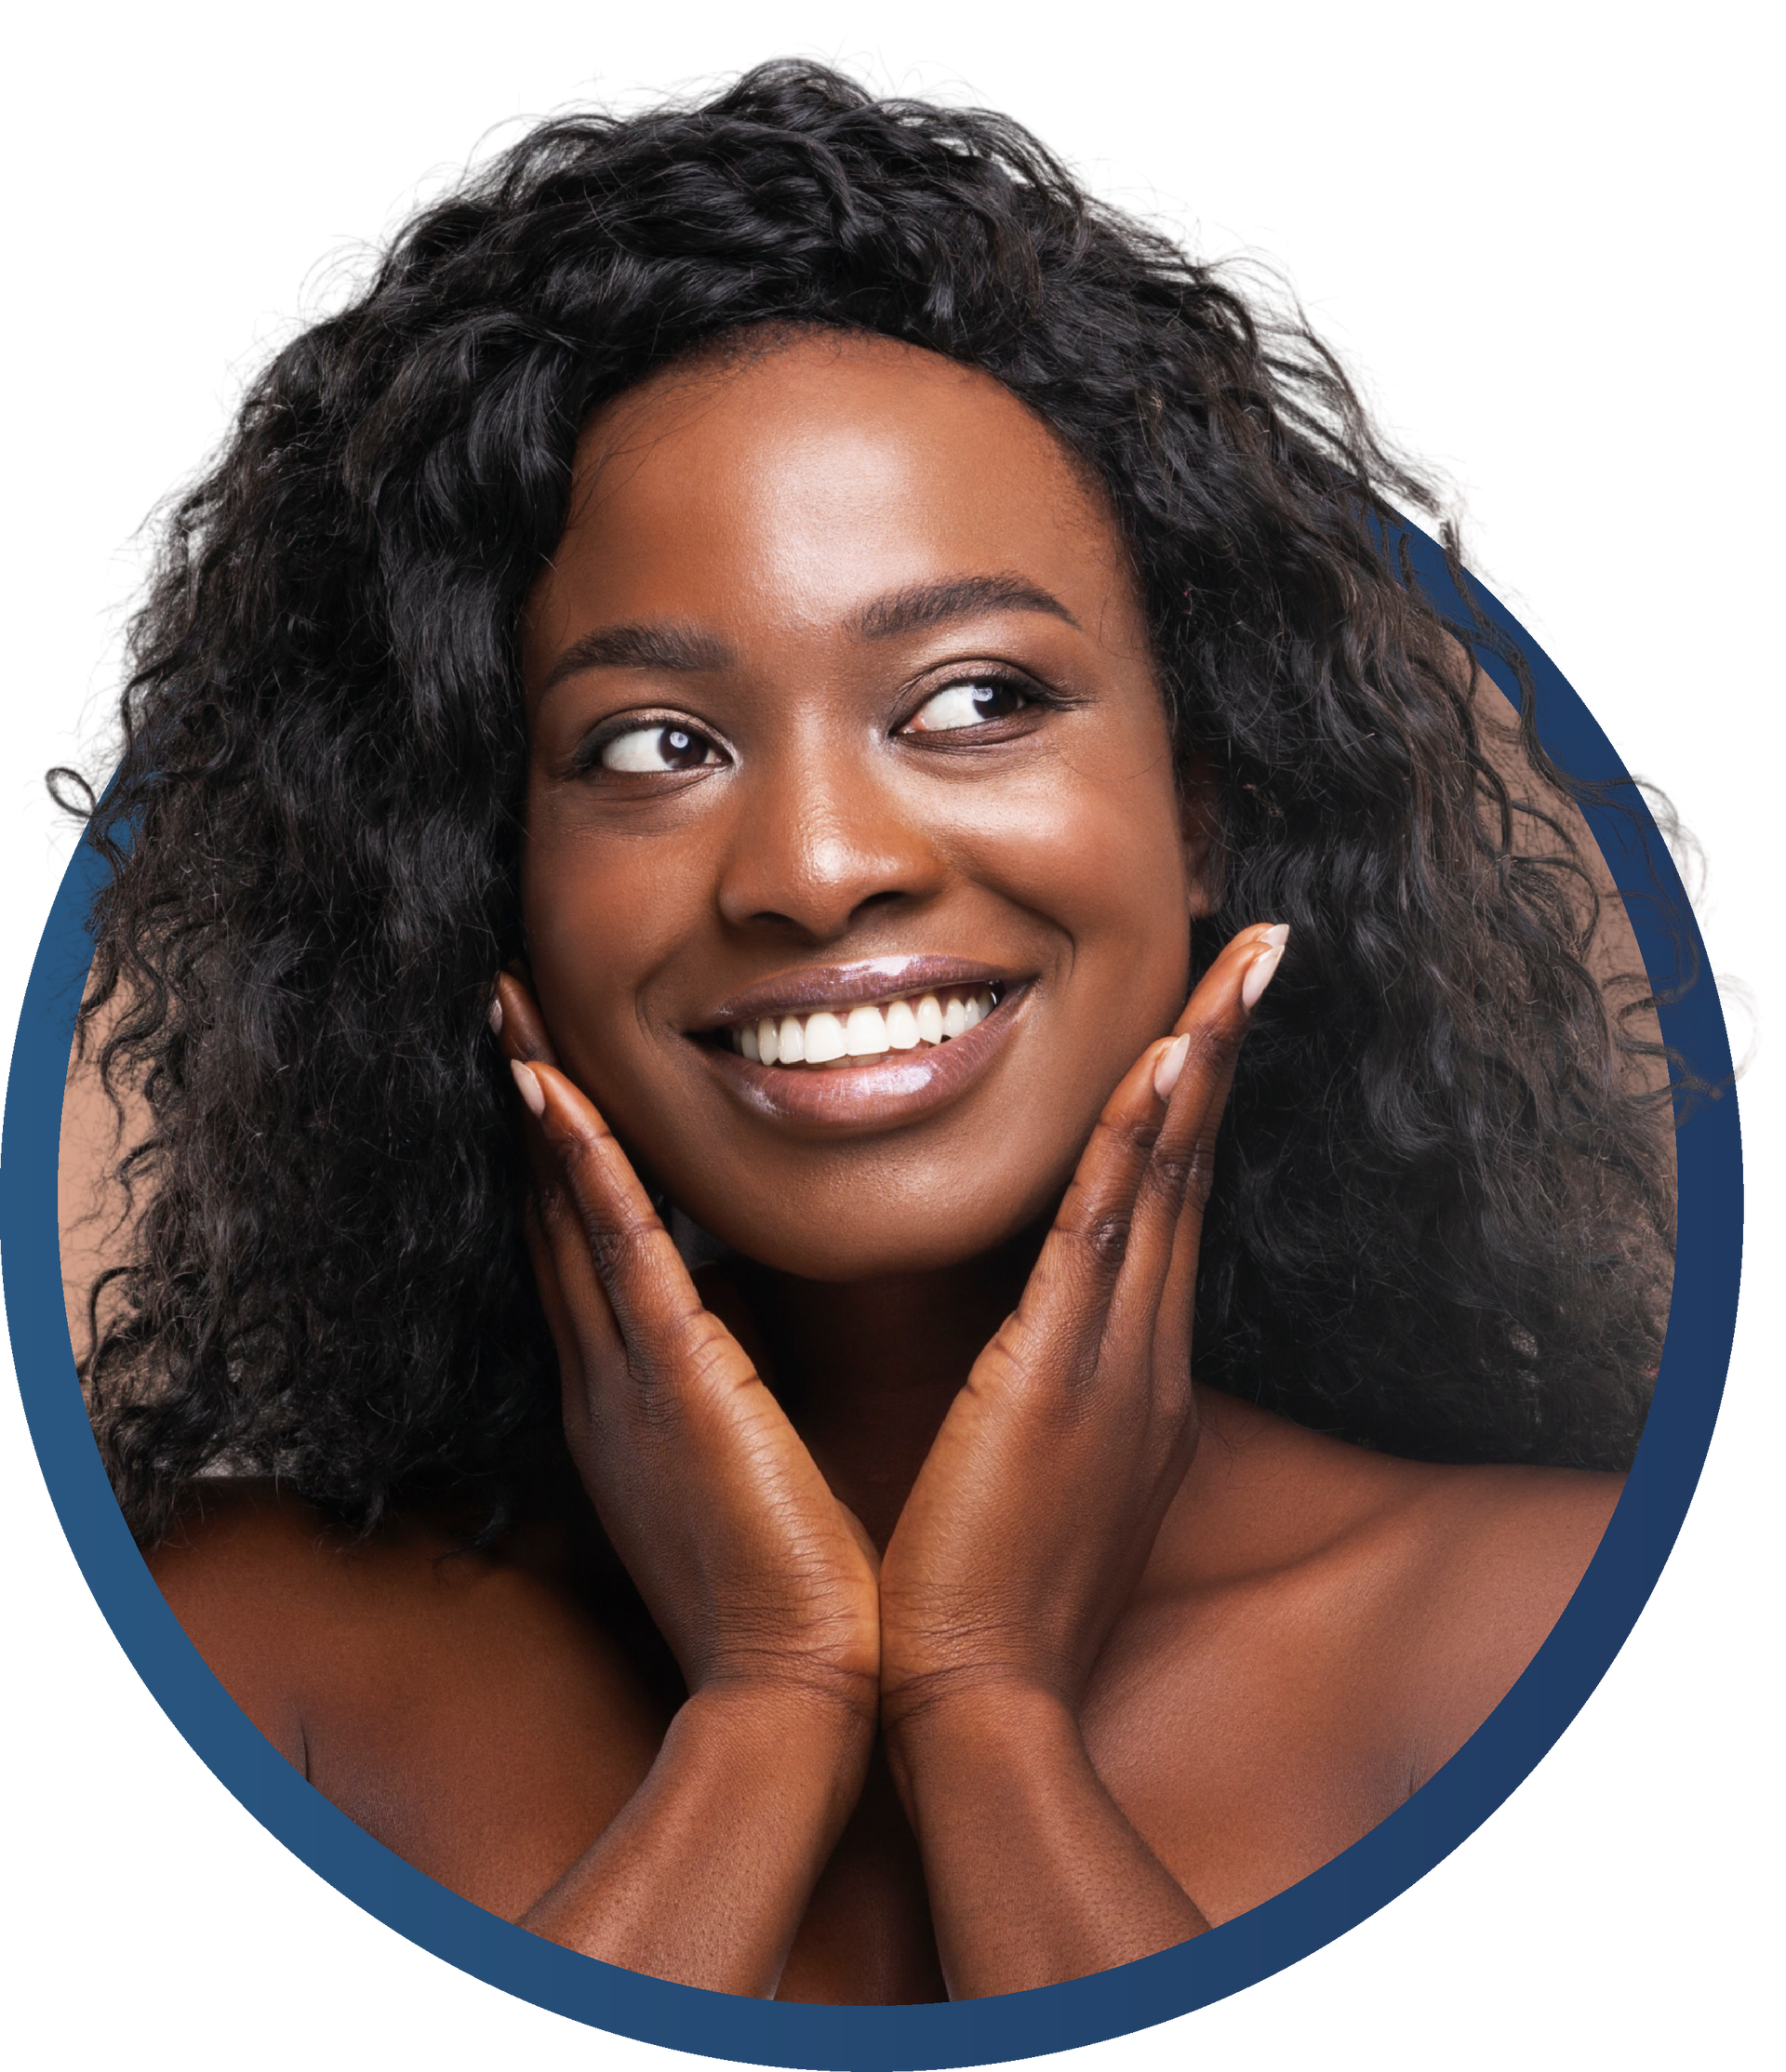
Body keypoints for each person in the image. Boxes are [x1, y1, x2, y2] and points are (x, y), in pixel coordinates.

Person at [51, 49, 1681, 2007]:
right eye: (656, 744)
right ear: (485, 882)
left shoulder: (1543, 1620)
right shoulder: (256, 1657)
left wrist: (989, 1708)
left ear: (1211, 804)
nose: (816, 866)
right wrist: (773, 1705)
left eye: (979, 697)